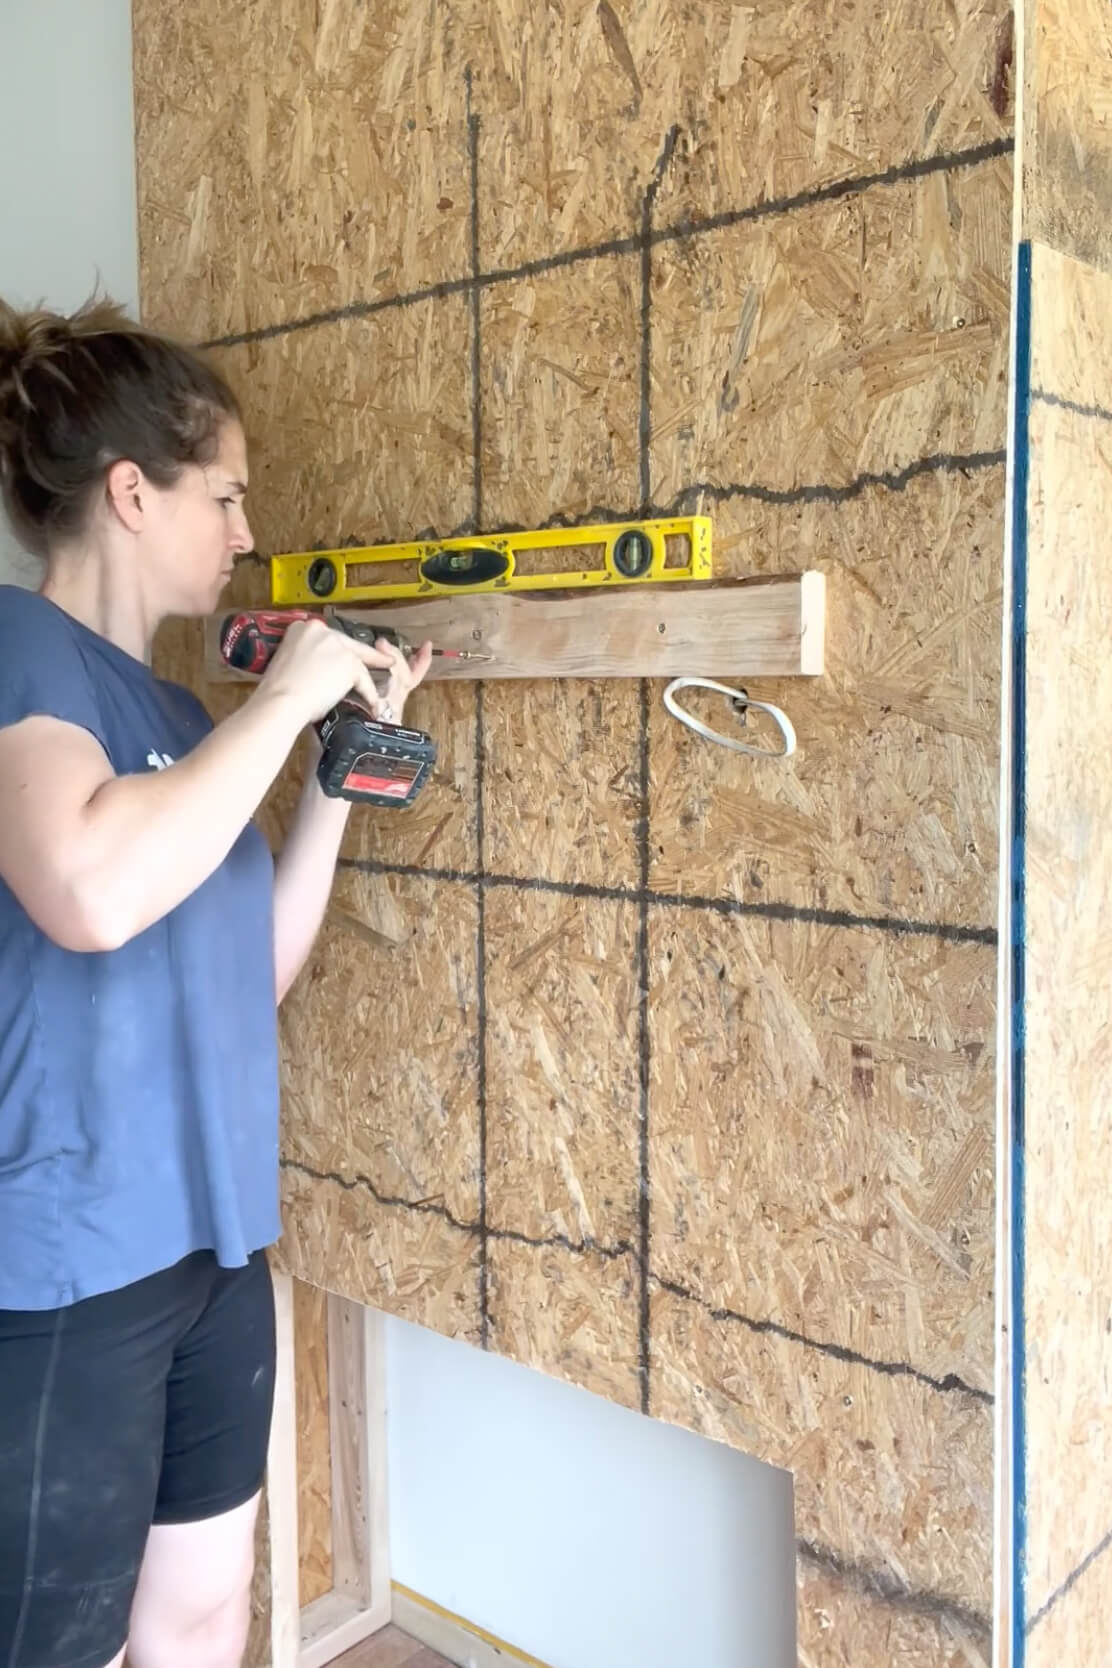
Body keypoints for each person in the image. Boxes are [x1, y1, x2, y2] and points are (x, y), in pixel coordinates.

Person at [0, 297, 432, 1668]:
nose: (245, 533)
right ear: (133, 493)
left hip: (213, 1244)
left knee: (197, 1619)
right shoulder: (17, 654)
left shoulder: (186, 724)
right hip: (68, 1260)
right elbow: (84, 888)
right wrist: (275, 707)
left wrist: (331, 775)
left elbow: (252, 972)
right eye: (226, 495)